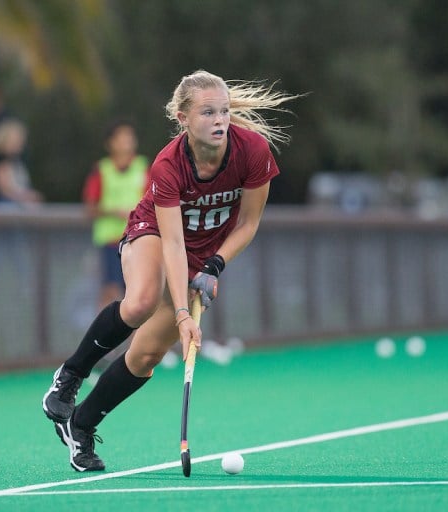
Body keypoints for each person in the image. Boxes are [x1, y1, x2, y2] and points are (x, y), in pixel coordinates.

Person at [42, 69, 300, 472]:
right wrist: (183, 313)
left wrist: (215, 266)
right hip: (155, 234)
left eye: (225, 112)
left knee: (145, 355)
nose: (220, 121)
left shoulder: (253, 152)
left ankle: (81, 425)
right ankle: (71, 375)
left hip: (202, 255)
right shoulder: (168, 165)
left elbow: (248, 224)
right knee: (142, 299)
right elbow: (173, 245)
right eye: (208, 112)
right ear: (183, 118)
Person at [82, 121, 150, 311]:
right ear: (110, 143)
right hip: (110, 241)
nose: (126, 143)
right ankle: (102, 338)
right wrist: (115, 211)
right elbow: (91, 207)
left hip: (137, 240)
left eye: (129, 138)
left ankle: (136, 340)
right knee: (110, 291)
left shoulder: (142, 167)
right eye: (121, 138)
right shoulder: (102, 170)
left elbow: (153, 201)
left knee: (137, 293)